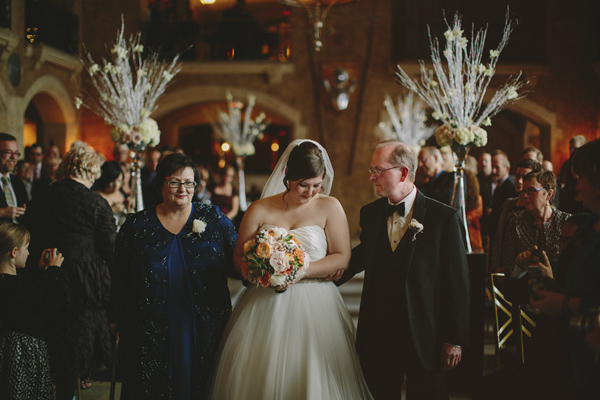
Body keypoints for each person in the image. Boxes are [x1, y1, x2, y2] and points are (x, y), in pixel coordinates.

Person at [210, 140, 373, 399]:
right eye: (303, 185)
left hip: (317, 303)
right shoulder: (259, 208)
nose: (310, 192)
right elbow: (239, 259)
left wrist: (296, 271)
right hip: (264, 303)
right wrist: (261, 271)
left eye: (316, 186)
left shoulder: (330, 206)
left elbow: (342, 257)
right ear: (287, 175)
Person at [336, 140, 470, 399]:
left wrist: (454, 338)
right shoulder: (371, 214)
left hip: (425, 334)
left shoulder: (443, 218)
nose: (371, 176)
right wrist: (321, 280)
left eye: (379, 170)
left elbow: (457, 283)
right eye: (371, 169)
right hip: (378, 333)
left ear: (404, 173)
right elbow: (360, 258)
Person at [111, 153, 237, 399]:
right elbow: (120, 275)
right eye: (174, 182)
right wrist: (115, 316)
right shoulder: (137, 226)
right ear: (161, 185)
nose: (183, 189)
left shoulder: (213, 219)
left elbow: (237, 264)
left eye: (189, 182)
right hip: (149, 326)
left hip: (203, 324)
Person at [23, 144, 116, 400]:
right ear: (91, 170)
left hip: (45, 277)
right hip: (82, 286)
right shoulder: (96, 202)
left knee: (50, 345)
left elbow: (29, 234)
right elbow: (111, 249)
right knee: (75, 351)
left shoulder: (42, 196)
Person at [528, 139, 600, 398]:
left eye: (581, 178)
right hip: (563, 349)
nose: (577, 187)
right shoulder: (587, 222)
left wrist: (565, 302)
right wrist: (550, 275)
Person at [0, 222, 64, 400]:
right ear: (14, 252)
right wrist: (54, 271)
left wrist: (39, 270)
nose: (28, 253)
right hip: (25, 353)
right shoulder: (16, 285)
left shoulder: (8, 282)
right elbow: (52, 307)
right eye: (26, 248)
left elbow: (27, 297)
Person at [490, 159, 542, 273]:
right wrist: (496, 265)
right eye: (518, 176)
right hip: (503, 268)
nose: (519, 181)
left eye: (525, 177)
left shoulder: (536, 209)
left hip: (524, 271)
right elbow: (498, 237)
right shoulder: (508, 203)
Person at [92, 161, 130, 230]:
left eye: (119, 181)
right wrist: (112, 210)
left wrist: (129, 208)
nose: (116, 186)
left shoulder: (121, 194)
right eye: (112, 182)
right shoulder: (96, 196)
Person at [0, 133, 27, 223]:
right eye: (8, 152)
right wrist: (2, 212)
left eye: (16, 153)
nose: (13, 157)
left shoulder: (17, 182)